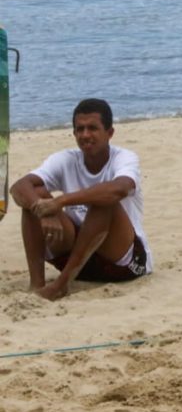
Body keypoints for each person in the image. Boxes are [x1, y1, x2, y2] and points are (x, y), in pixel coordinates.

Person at [9, 98, 152, 300]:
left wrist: (60, 202)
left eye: (93, 128)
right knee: (36, 194)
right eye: (80, 129)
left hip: (123, 262)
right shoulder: (66, 159)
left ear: (110, 133)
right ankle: (37, 284)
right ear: (74, 133)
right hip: (79, 261)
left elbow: (119, 189)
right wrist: (42, 210)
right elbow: (18, 187)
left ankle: (61, 285)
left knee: (104, 199)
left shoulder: (125, 157)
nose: (85, 135)